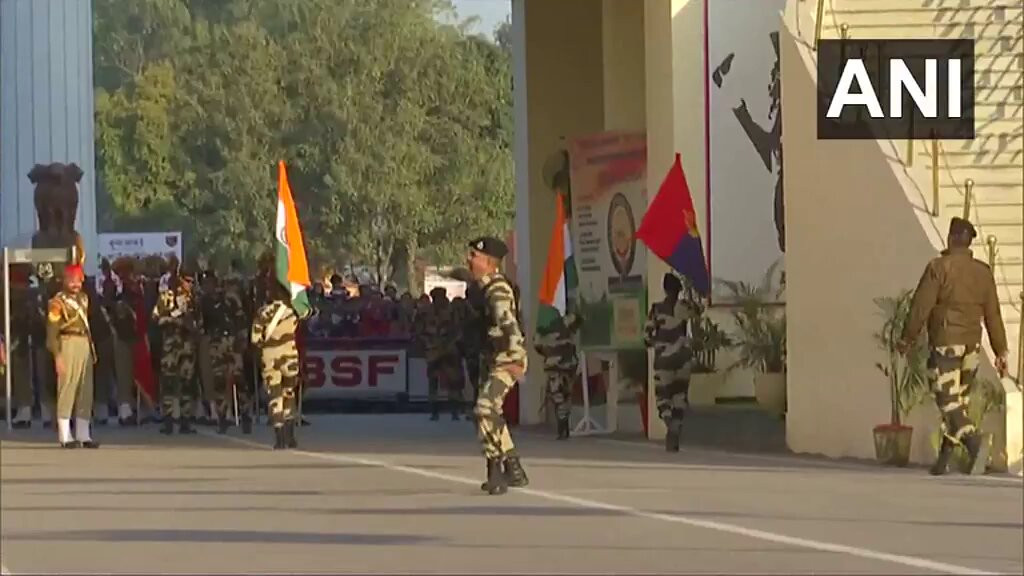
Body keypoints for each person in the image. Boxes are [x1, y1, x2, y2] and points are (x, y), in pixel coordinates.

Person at [898, 217, 1009, 476]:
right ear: (969, 243)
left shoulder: (938, 267)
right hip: (972, 346)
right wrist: (1000, 351)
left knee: (948, 402)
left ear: (950, 239)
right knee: (959, 402)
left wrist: (907, 338)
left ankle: (974, 442)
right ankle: (944, 460)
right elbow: (993, 315)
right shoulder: (983, 272)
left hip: (945, 344)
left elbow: (920, 307)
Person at [466, 236, 528, 495]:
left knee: (485, 408)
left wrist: (515, 357)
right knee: (490, 412)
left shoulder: (497, 290)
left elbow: (509, 324)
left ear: (490, 262)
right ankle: (508, 470)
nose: (468, 260)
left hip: (506, 359)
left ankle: (503, 469)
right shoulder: (483, 288)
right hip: (492, 358)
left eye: (474, 256)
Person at [644, 273, 700, 452]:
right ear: (679, 290)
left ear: (665, 289)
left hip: (664, 360)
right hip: (683, 358)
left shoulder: (656, 309)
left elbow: (647, 337)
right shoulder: (685, 307)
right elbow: (698, 311)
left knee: (663, 397)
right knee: (679, 396)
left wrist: (656, 343)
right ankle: (676, 428)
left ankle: (670, 424)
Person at [46, 264, 99, 448]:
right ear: (65, 281)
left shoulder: (84, 298)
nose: (76, 284)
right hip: (67, 342)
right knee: (67, 387)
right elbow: (52, 332)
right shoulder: (57, 302)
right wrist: (57, 355)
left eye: (79, 280)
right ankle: (65, 434)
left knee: (86, 389)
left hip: (84, 343)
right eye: (72, 281)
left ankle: (83, 434)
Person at [251, 278, 306, 449]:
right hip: (289, 355)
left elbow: (255, 339)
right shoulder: (293, 311)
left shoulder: (262, 312)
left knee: (275, 396)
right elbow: (306, 315)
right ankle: (290, 435)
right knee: (289, 393)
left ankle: (279, 437)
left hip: (269, 357)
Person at [203, 269, 255, 434]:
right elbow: (202, 324)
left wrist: (243, 340)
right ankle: (222, 417)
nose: (208, 286)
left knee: (239, 380)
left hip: (232, 342)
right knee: (219, 381)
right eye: (205, 284)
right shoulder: (204, 302)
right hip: (216, 344)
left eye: (210, 283)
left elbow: (241, 320)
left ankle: (245, 414)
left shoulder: (231, 299)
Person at [153, 268, 200, 434]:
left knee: (187, 383)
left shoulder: (193, 299)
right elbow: (156, 318)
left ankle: (185, 421)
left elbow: (199, 321)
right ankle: (168, 421)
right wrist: (173, 320)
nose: (190, 284)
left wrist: (192, 325)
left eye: (192, 281)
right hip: (171, 347)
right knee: (168, 383)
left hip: (187, 346)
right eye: (187, 280)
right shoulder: (167, 296)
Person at [535, 311, 584, 440]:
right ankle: (563, 427)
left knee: (560, 396)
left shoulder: (549, 324)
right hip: (562, 365)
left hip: (559, 365)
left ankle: (563, 427)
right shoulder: (559, 325)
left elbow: (538, 345)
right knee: (561, 396)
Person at [424, 287, 465, 421]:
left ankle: (454, 411)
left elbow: (458, 330)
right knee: (434, 381)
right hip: (435, 350)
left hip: (449, 350)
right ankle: (435, 411)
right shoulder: (428, 311)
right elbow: (421, 330)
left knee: (453, 382)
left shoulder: (451, 311)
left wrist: (452, 343)